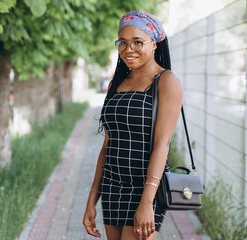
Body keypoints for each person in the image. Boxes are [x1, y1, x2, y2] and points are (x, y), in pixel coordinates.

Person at [83, 10, 183, 240]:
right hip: (112, 187)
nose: (129, 50)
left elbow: (162, 144)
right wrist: (91, 200)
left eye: (138, 43)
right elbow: (108, 144)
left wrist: (147, 202)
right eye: (123, 43)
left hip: (145, 186)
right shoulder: (117, 82)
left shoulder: (167, 81)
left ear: (154, 44)